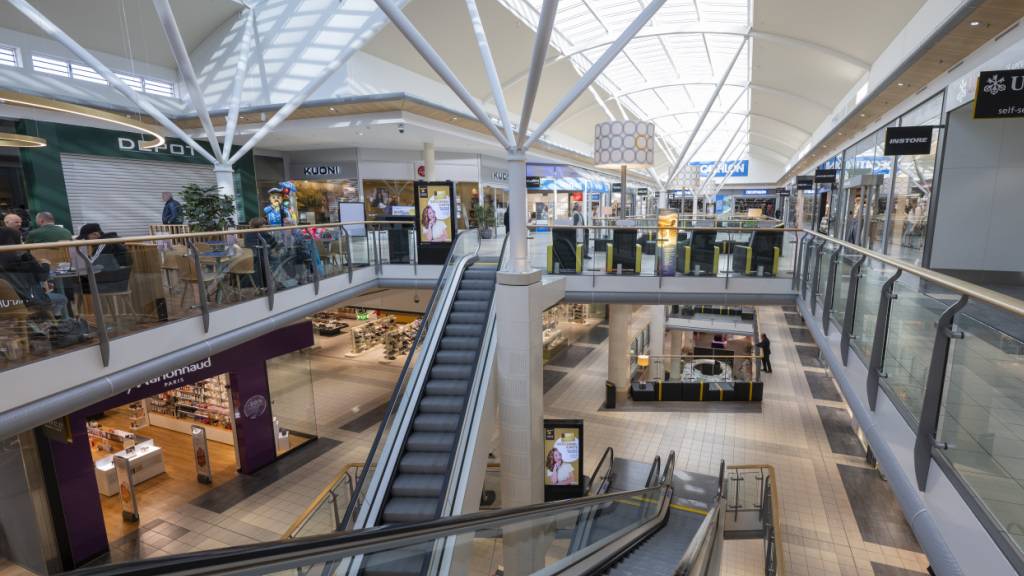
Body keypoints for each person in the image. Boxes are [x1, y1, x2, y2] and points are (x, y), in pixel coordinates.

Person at [0, 227, 68, 318]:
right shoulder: (23, 257)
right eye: (20, 238)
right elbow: (43, 276)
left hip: (6, 305)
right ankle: (55, 323)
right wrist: (46, 264)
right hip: (29, 301)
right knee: (61, 299)